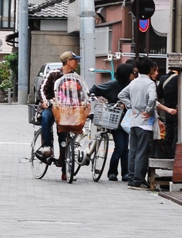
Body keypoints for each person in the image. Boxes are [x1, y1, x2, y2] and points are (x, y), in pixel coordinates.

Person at [38, 50, 80, 181]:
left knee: (64, 137)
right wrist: (45, 102)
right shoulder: (53, 74)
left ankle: (64, 168)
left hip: (66, 110)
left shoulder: (75, 77)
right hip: (51, 107)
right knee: (46, 117)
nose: (77, 62)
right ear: (69, 62)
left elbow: (81, 92)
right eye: (75, 60)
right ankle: (47, 147)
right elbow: (42, 89)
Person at [118, 56, 157, 190]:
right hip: (145, 123)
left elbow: (121, 95)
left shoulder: (133, 82)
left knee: (133, 151)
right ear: (151, 69)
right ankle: (138, 180)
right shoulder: (150, 83)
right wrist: (148, 110)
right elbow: (153, 98)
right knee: (142, 152)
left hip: (133, 121)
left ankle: (131, 178)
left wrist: (131, 106)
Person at [90, 63, 134, 182]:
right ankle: (112, 172)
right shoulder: (112, 85)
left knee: (125, 148)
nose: (133, 75)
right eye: (131, 73)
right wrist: (92, 95)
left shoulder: (130, 85)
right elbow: (95, 89)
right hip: (115, 120)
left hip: (127, 120)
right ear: (126, 74)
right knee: (120, 147)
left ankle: (125, 173)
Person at [157, 68, 179, 158]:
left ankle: (168, 155)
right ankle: (175, 156)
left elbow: (159, 94)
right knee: (177, 136)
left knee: (169, 134)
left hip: (167, 110)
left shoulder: (163, 79)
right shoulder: (181, 78)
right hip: (178, 110)